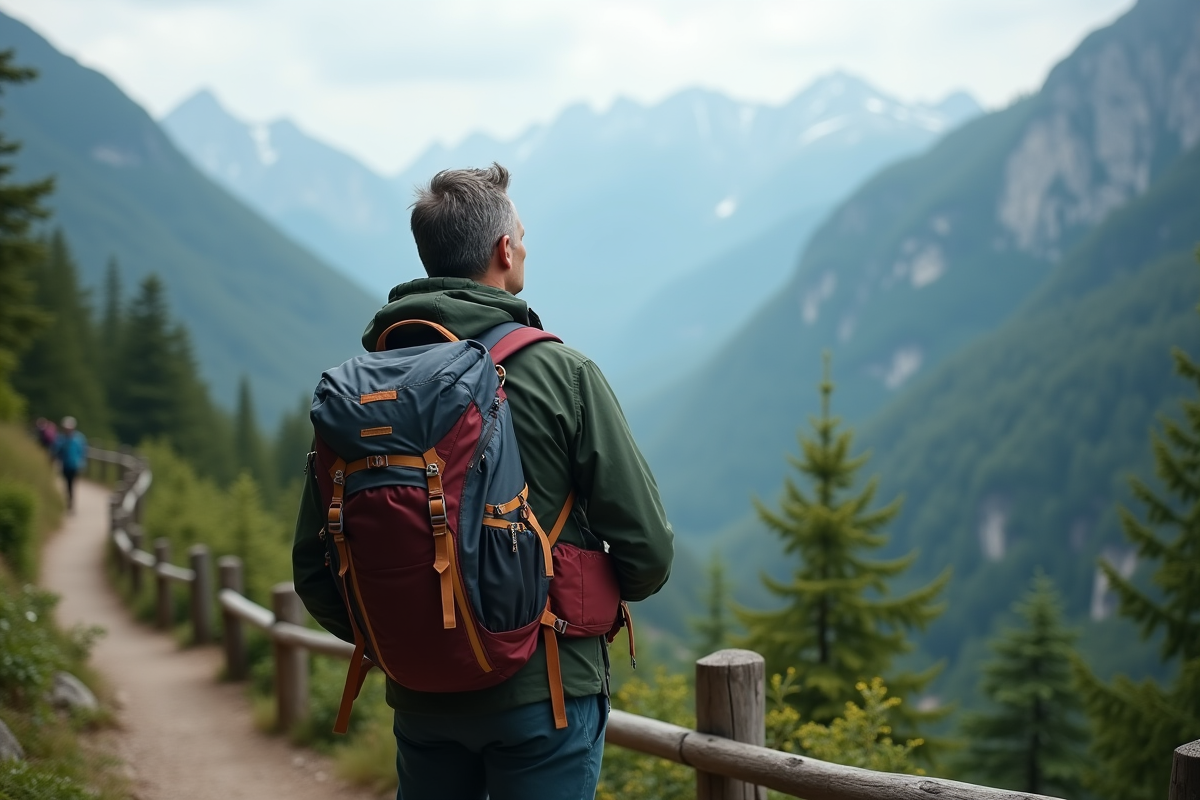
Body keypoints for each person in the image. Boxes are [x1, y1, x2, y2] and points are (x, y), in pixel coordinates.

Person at [292, 163, 674, 800]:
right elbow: (648, 552)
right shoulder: (560, 373)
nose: (523, 245)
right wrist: (569, 608)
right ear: (504, 250)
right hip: (545, 688)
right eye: (521, 235)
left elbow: (315, 569)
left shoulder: (364, 391)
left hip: (421, 700)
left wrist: (410, 634)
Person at [53, 416, 87, 511]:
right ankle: (69, 501)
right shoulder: (62, 439)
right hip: (65, 465)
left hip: (75, 466)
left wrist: (82, 463)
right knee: (67, 484)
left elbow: (83, 452)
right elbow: (57, 450)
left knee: (71, 484)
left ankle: (70, 502)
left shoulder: (79, 439)